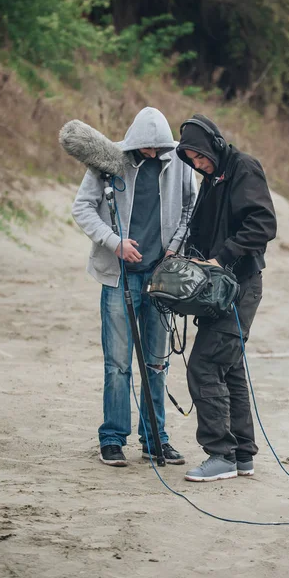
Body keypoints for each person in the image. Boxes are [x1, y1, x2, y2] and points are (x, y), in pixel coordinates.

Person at [72, 107, 197, 467]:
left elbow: (190, 209)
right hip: (119, 276)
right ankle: (112, 439)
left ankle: (155, 439)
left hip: (161, 277)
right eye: (147, 149)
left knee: (156, 364)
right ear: (134, 143)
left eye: (158, 149)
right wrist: (114, 242)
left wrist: (173, 249)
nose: (153, 155)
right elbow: (82, 208)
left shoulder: (180, 164)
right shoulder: (107, 160)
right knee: (118, 364)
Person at [176, 114, 277, 482]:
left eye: (200, 157)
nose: (197, 164)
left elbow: (263, 224)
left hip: (240, 286)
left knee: (203, 366)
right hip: (216, 289)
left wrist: (223, 256)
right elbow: (203, 228)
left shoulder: (244, 168)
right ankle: (243, 455)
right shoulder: (213, 177)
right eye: (191, 160)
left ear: (214, 144)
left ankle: (221, 454)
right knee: (229, 368)